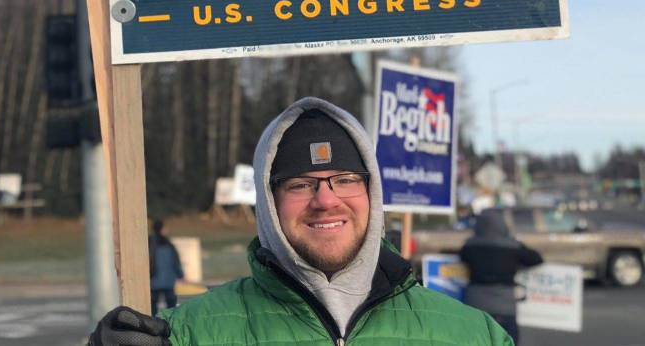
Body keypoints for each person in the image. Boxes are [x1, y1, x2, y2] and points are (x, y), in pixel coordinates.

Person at [89, 97, 514, 346]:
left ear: (373, 193)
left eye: (345, 179)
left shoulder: (474, 335)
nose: (326, 200)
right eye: (299, 184)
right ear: (269, 205)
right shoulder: (190, 335)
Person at [460, 210, 543, 345]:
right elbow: (536, 259)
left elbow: (462, 257)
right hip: (504, 305)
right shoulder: (513, 246)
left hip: (475, 303)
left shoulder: (469, 245)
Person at [149, 219, 184, 315]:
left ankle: (153, 323)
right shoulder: (168, 244)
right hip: (167, 280)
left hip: (154, 279)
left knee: (152, 306)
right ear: (162, 229)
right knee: (171, 306)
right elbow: (175, 262)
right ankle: (170, 324)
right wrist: (180, 274)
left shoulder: (149, 242)